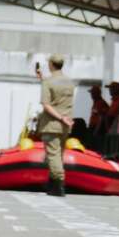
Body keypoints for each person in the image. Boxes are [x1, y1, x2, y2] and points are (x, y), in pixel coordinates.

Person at [34, 55, 78, 196]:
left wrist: (60, 117)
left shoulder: (48, 82)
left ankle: (58, 184)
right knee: (59, 155)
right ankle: (53, 184)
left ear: (51, 64)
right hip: (65, 125)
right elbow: (58, 97)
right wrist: (42, 79)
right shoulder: (69, 82)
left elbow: (47, 105)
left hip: (52, 123)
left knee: (53, 155)